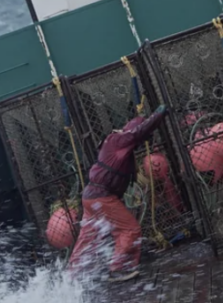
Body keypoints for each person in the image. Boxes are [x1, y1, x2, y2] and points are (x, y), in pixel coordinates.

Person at [67, 103, 168, 283]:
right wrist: (159, 113)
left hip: (92, 198)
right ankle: (119, 268)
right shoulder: (118, 139)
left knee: (88, 237)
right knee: (130, 229)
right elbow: (138, 133)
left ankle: (72, 277)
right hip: (101, 197)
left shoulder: (120, 147)